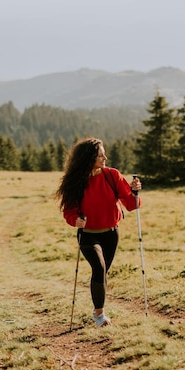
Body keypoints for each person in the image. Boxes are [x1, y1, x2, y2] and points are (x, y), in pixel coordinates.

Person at [55, 137, 142, 327]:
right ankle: (100, 315)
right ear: (88, 158)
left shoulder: (112, 176)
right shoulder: (75, 182)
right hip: (88, 234)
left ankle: (96, 310)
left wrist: (135, 191)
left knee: (102, 273)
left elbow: (130, 204)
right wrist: (75, 221)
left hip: (111, 233)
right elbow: (69, 212)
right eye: (100, 155)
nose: (105, 158)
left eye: (104, 154)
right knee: (99, 268)